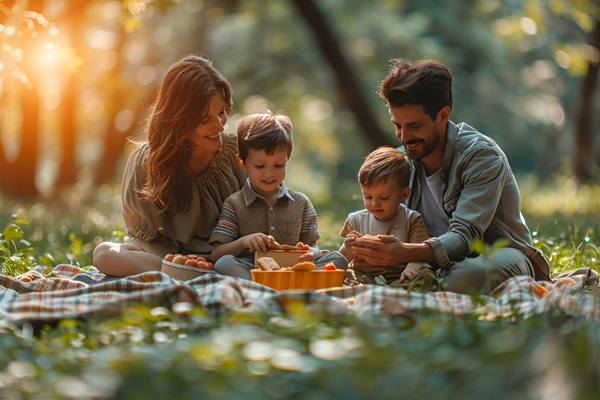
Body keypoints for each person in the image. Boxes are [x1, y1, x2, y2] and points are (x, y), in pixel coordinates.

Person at [351, 58, 551, 294]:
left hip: (493, 253)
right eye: (397, 125)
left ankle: (426, 286)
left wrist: (406, 252)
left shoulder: (481, 157)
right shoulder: (401, 161)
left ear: (443, 115)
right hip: (423, 262)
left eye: (414, 125)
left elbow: (465, 236)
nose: (404, 137)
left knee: (472, 275)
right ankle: (424, 285)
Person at [93, 55, 246, 276]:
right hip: (167, 255)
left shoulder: (238, 151)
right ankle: (194, 273)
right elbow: (148, 238)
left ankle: (190, 274)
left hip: (226, 254)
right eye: (205, 120)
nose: (220, 127)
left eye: (221, 113)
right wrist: (181, 259)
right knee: (104, 254)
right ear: (179, 119)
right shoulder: (144, 161)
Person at [209, 111, 348, 280]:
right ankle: (265, 286)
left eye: (278, 165)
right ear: (242, 162)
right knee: (224, 263)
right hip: (253, 268)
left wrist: (310, 253)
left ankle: (283, 284)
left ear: (288, 159)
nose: (269, 173)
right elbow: (217, 254)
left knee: (338, 259)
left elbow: (314, 248)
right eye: (260, 166)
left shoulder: (301, 203)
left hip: (295, 268)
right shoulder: (234, 204)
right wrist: (245, 241)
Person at [339, 146, 430, 283]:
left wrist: (412, 268)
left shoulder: (411, 219)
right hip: (363, 277)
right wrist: (348, 247)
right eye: (368, 197)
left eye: (384, 198)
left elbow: (418, 254)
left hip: (399, 278)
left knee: (426, 277)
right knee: (344, 275)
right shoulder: (356, 220)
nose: (375, 204)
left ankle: (393, 293)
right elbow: (343, 259)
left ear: (404, 194)